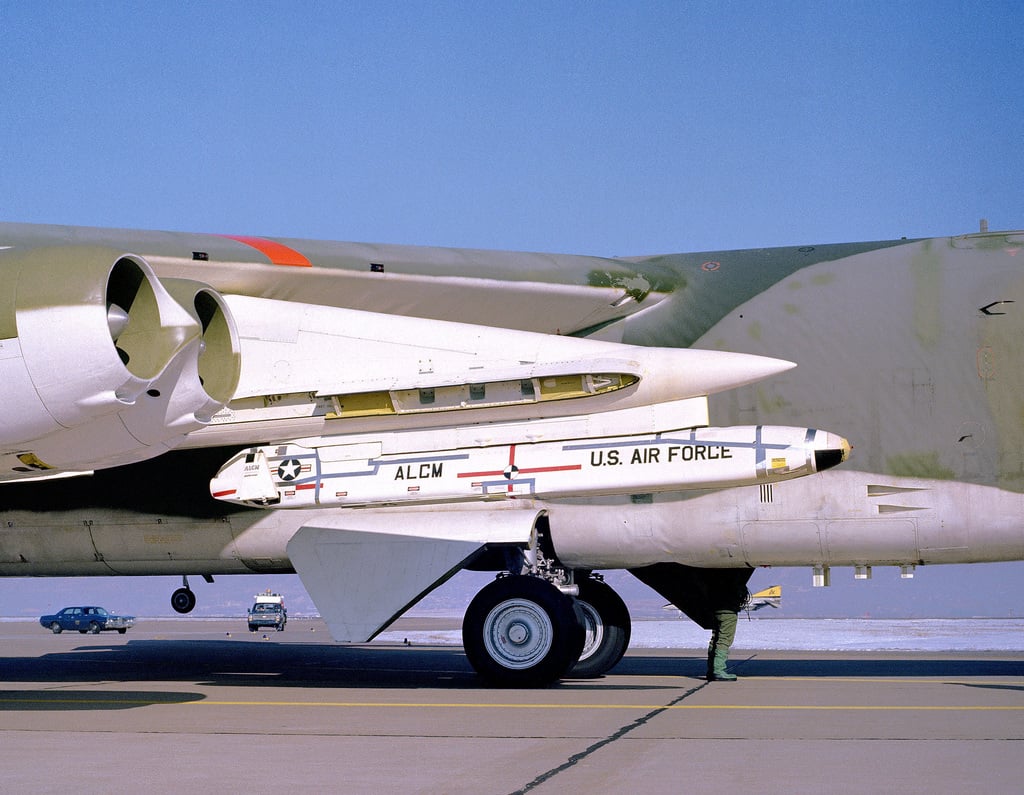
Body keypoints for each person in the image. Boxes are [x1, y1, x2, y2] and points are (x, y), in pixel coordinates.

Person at [706, 582, 749, 682]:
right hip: (728, 610)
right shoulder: (733, 578)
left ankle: (711, 670)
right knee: (724, 639)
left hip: (716, 609)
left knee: (715, 638)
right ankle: (718, 670)